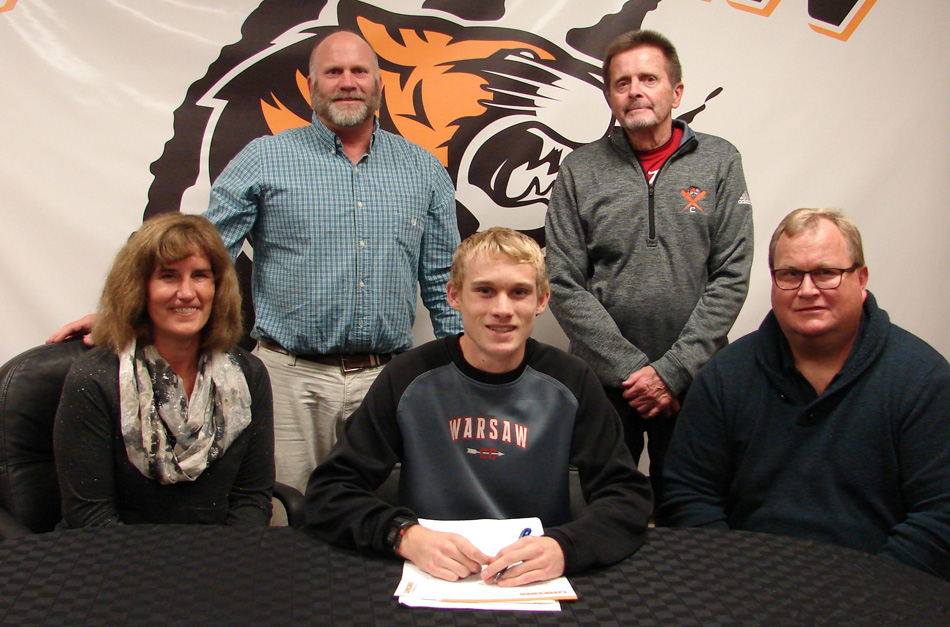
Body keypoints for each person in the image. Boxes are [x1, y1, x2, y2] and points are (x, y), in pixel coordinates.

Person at [49, 30, 462, 494]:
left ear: (378, 84)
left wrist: (468, 372)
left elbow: (444, 281)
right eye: (333, 72)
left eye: (359, 71)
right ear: (312, 87)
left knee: (384, 519)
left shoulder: (423, 169)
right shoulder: (265, 159)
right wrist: (118, 317)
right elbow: (202, 257)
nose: (347, 82)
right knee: (284, 519)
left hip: (389, 379)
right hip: (288, 381)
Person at [305, 227, 652, 586]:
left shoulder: (572, 380)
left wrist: (566, 548)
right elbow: (329, 492)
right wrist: (404, 536)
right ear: (454, 296)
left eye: (519, 292)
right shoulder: (407, 376)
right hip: (430, 578)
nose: (502, 309)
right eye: (484, 291)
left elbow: (627, 496)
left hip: (535, 581)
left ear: (542, 300)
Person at [661, 208, 950, 580]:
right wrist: (736, 580)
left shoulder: (923, 379)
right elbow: (689, 497)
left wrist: (870, 593)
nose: (807, 290)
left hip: (883, 594)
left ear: (861, 279)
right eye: (790, 275)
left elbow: (940, 516)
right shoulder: (724, 376)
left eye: (827, 273)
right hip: (745, 588)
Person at [544, 29, 753, 513]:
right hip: (604, 381)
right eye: (622, 82)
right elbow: (562, 281)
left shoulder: (721, 161)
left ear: (676, 92)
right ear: (610, 96)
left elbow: (732, 273)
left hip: (694, 378)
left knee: (690, 508)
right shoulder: (580, 169)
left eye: (648, 78)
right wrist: (635, 370)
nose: (635, 90)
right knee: (604, 509)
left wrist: (672, 370)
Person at [53, 213, 274, 527]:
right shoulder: (95, 378)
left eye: (199, 275)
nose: (186, 293)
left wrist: (227, 565)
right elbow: (90, 516)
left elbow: (250, 498)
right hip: (115, 561)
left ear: (217, 286)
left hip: (221, 558)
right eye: (168, 276)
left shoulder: (248, 374)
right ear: (138, 289)